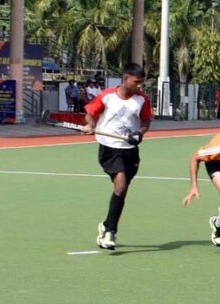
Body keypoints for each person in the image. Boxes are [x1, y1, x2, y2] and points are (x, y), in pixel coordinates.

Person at [83, 63, 152, 251]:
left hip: (130, 150)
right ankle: (111, 232)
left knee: (122, 190)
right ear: (125, 78)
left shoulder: (142, 99)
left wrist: (140, 133)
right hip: (109, 147)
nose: (140, 86)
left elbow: (146, 119)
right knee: (120, 185)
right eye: (137, 82)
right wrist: (90, 125)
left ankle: (106, 225)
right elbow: (90, 113)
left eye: (141, 83)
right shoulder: (107, 96)